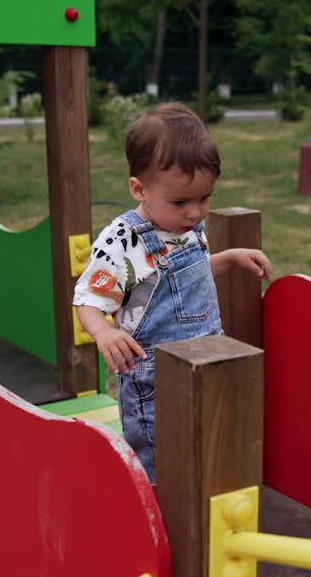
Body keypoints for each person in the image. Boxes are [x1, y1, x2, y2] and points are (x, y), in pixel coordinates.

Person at [73, 103, 272, 482]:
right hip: (155, 378)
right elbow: (87, 299)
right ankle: (159, 526)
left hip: (207, 358)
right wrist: (104, 331)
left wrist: (227, 258)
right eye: (181, 201)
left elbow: (182, 282)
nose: (196, 212)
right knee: (160, 461)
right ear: (139, 189)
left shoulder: (186, 227)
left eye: (205, 198)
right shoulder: (123, 241)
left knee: (207, 445)